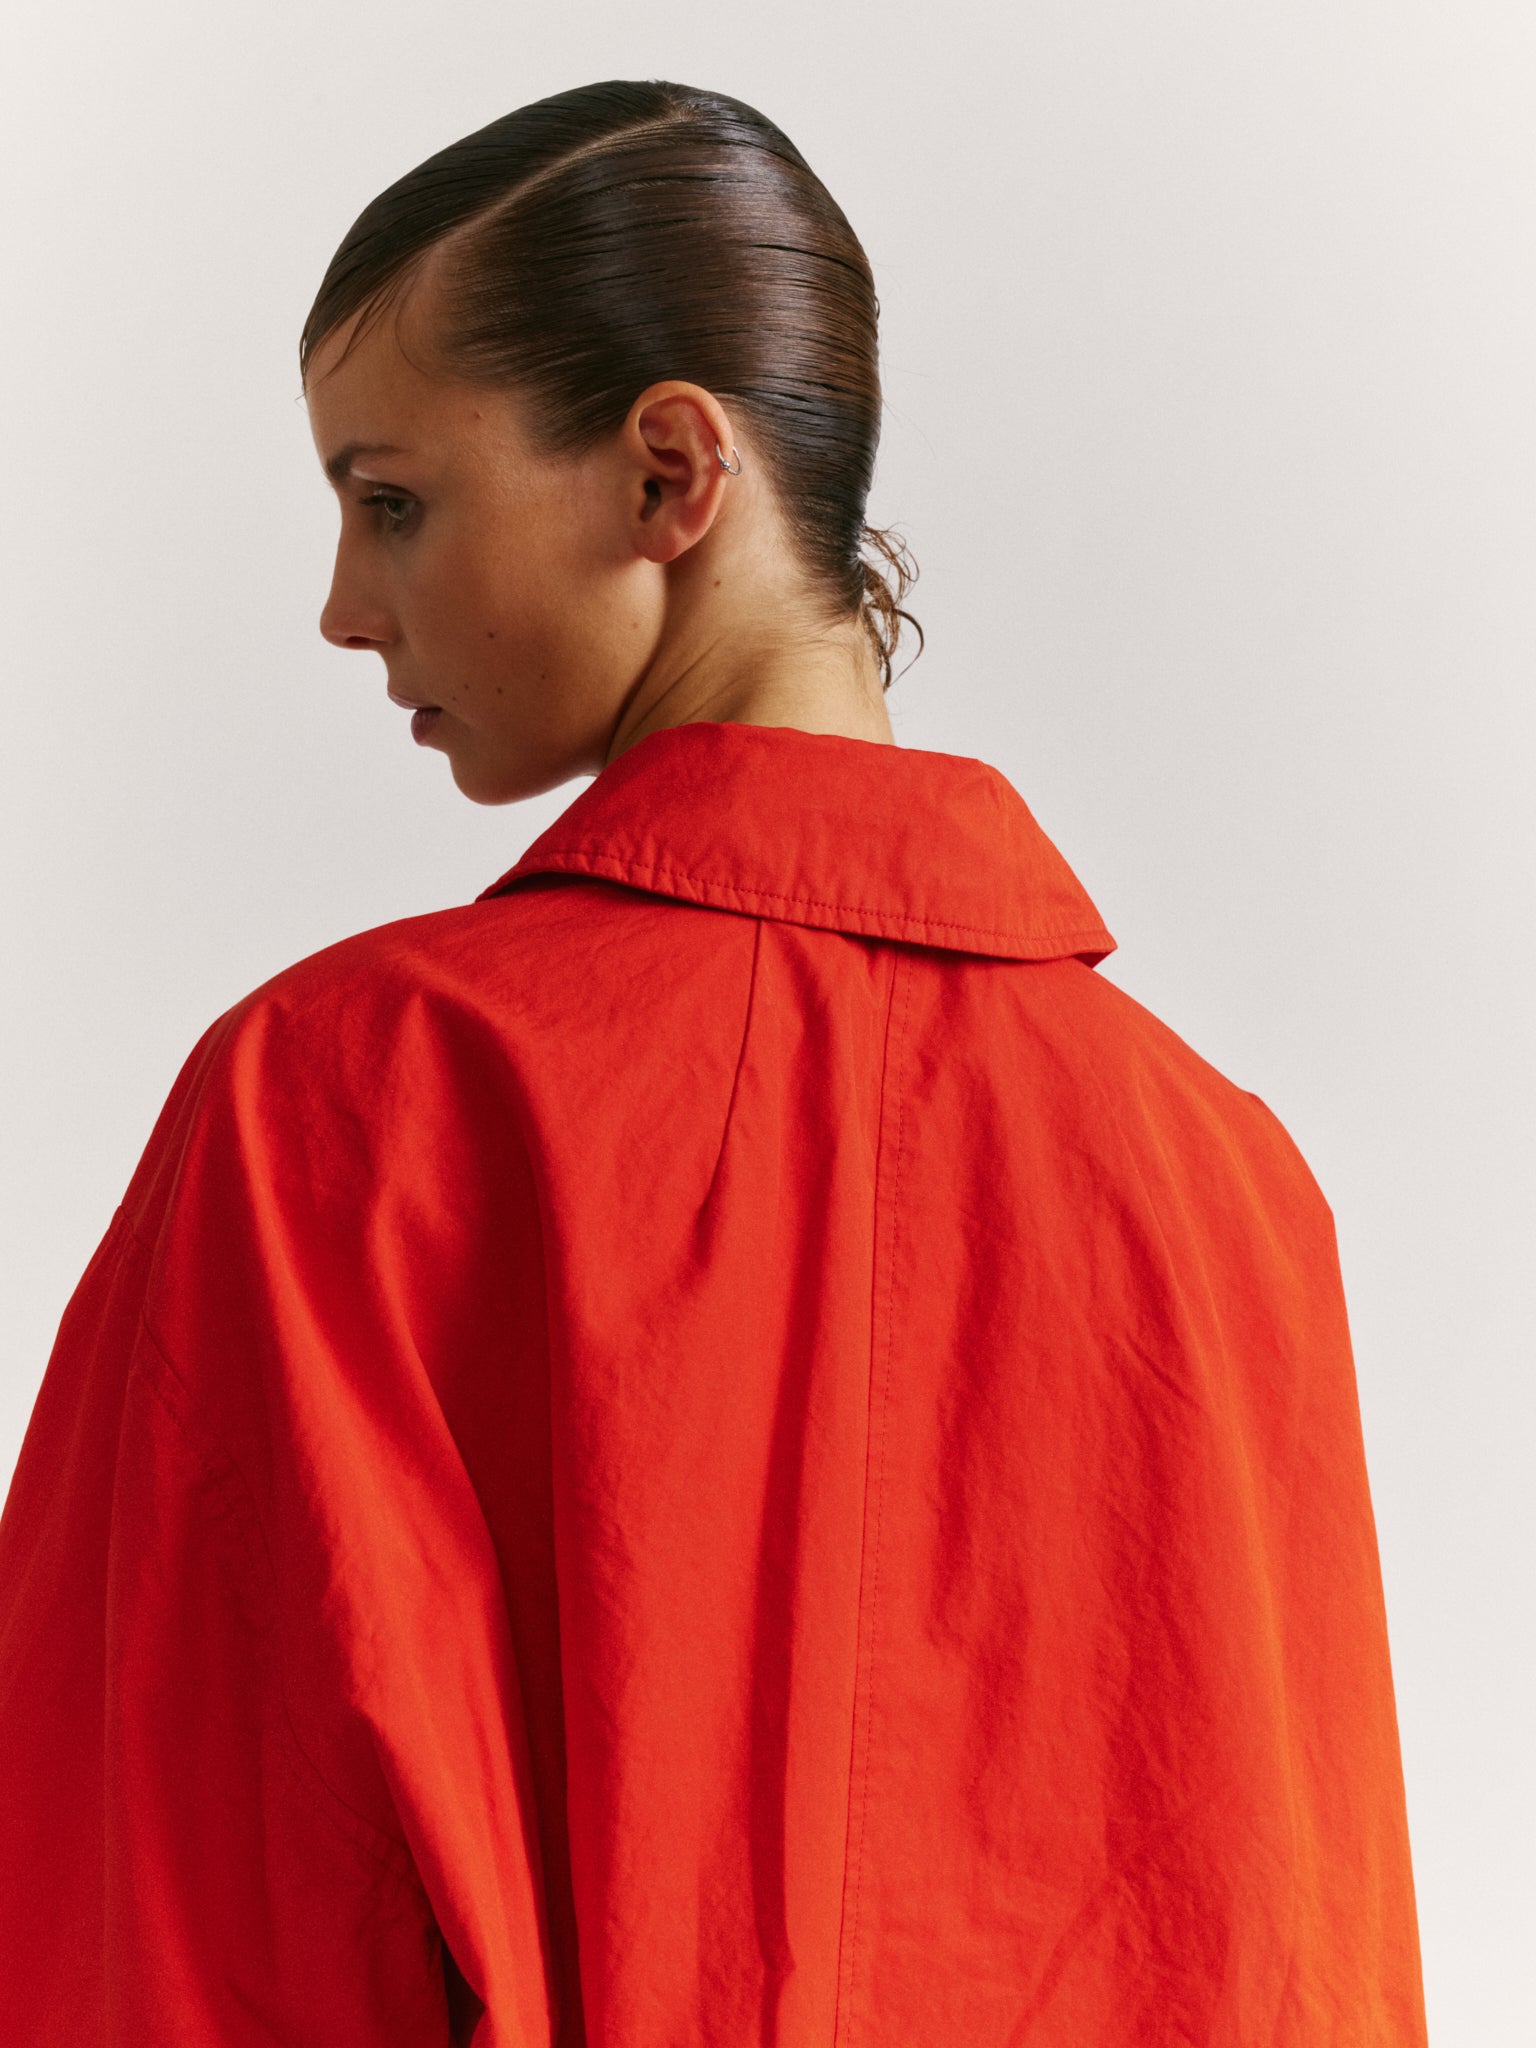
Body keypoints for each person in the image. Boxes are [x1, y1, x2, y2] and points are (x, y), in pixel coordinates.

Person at [0, 78, 1427, 2047]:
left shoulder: (345, 1107)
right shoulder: (1230, 1181)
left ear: (670, 473)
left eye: (392, 499)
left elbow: (169, 1921)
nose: (343, 608)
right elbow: (1308, 1960)